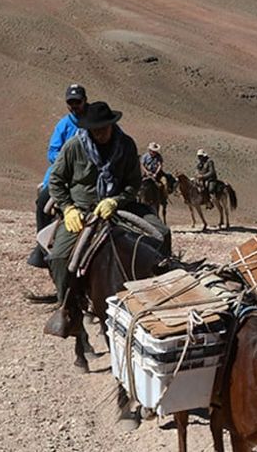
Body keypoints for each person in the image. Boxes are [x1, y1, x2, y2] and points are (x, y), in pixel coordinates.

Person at [47, 102, 169, 304]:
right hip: (82, 210)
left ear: (112, 125)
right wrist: (68, 208)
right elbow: (56, 181)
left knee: (162, 233)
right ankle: (67, 308)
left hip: (120, 206)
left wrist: (116, 200)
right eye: (95, 130)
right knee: (59, 258)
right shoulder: (74, 147)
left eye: (103, 128)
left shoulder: (126, 145)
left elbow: (133, 183)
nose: (100, 133)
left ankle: (164, 284)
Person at [28, 84, 88, 270]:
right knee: (42, 203)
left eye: (77, 101)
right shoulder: (63, 125)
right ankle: (41, 248)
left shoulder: (95, 119)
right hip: (64, 173)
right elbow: (52, 152)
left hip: (91, 173)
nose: (74, 106)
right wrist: (67, 161)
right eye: (70, 102)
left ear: (85, 100)